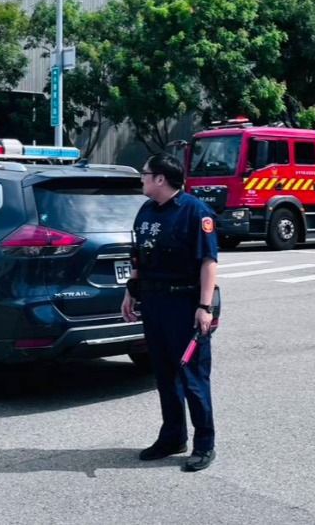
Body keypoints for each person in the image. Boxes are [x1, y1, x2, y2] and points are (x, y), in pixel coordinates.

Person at [122, 153, 219, 472]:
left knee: (193, 376)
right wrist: (130, 291)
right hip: (154, 303)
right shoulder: (146, 211)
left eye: (145, 173)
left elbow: (208, 262)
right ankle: (173, 436)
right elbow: (139, 256)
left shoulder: (195, 212)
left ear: (161, 179)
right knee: (164, 374)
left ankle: (204, 444)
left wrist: (204, 307)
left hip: (185, 305)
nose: (142, 178)